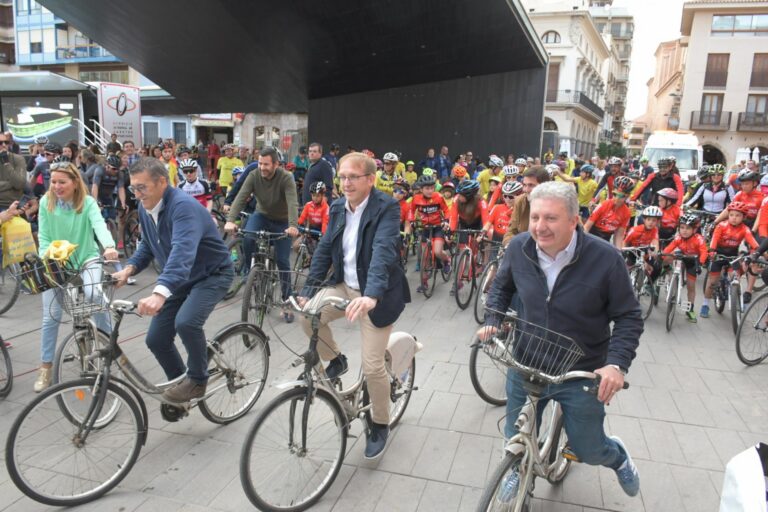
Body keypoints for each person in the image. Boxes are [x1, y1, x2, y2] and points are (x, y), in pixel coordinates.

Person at [479, 181, 642, 499]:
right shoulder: (519, 247)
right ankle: (516, 467)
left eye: (551, 218)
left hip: (581, 371)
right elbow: (502, 288)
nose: (540, 227)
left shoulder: (606, 259)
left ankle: (618, 456)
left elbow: (628, 317)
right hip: (526, 360)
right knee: (515, 432)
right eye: (535, 217)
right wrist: (493, 320)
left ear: (574, 220)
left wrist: (616, 365)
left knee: (589, 448)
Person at [297, 151, 410, 460]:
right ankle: (336, 360)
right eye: (342, 177)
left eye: (352, 177)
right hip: (345, 287)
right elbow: (323, 250)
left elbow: (383, 251)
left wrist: (371, 295)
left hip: (377, 295)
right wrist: (307, 289)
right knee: (308, 316)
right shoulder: (336, 207)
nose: (345, 183)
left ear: (370, 179)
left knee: (373, 366)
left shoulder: (386, 207)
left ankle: (380, 423)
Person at [111, 157, 234, 403]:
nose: (137, 194)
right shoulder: (148, 208)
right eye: (134, 188)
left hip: (212, 273)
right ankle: (182, 385)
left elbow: (182, 252)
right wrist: (130, 268)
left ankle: (198, 381)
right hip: (183, 278)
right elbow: (148, 244)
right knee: (156, 339)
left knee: (186, 323)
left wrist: (159, 293)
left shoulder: (183, 207)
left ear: (162, 182)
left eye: (142, 187)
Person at [35, 161, 118, 392]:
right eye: (53, 182)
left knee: (95, 295)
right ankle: (45, 367)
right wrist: (47, 258)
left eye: (62, 182)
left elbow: (100, 226)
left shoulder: (87, 203)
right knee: (50, 316)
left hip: (85, 259)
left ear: (74, 182)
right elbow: (43, 237)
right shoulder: (45, 202)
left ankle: (111, 348)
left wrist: (109, 246)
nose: (57, 186)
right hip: (56, 263)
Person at [224, 147, 299, 322]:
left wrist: (293, 225)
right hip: (262, 215)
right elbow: (241, 197)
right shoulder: (254, 175)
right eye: (260, 163)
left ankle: (287, 300)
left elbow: (292, 202)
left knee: (282, 260)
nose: (262, 167)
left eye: (266, 164)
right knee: (248, 237)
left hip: (282, 222)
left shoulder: (286, 178)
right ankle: (253, 273)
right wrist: (230, 219)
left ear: (276, 164)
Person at [701, 201, 758, 318]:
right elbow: (714, 240)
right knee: (712, 282)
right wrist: (712, 251)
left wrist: (757, 252)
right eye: (731, 215)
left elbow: (753, 243)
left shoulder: (745, 229)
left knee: (735, 277)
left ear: (743, 217)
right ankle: (705, 304)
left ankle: (738, 299)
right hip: (718, 254)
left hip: (733, 256)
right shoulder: (721, 226)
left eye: (738, 216)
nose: (734, 218)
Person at [406, 174, 451, 292]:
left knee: (437, 251)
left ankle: (447, 260)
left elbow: (446, 210)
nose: (430, 190)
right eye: (427, 188)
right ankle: (424, 283)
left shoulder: (439, 197)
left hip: (437, 227)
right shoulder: (416, 199)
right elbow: (411, 211)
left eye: (432, 188)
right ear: (421, 189)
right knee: (425, 257)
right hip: (425, 227)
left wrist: (446, 221)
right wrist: (411, 221)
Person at [662, 214, 709, 322]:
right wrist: (662, 256)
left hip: (693, 261)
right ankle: (666, 269)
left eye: (688, 228)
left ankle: (690, 309)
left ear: (694, 229)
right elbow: (669, 248)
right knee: (668, 257)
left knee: (691, 286)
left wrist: (700, 264)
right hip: (682, 258)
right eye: (682, 227)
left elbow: (704, 252)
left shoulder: (699, 239)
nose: (684, 231)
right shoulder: (678, 238)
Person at [502, 166, 551, 246]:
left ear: (544, 186)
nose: (526, 190)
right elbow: (511, 231)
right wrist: (509, 244)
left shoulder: (558, 204)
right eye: (524, 185)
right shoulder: (520, 201)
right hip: (524, 250)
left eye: (531, 185)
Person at [584, 176, 634, 248]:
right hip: (592, 236)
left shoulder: (626, 213)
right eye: (614, 194)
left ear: (627, 196)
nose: (616, 198)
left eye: (621, 196)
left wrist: (618, 252)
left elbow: (619, 235)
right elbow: (587, 227)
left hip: (605, 239)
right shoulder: (603, 205)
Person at [0, 132, 26, 210]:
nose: (4, 145)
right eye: (0, 143)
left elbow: (19, 184)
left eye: (6, 142)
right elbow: (16, 183)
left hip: (13, 204)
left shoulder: (18, 159)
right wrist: (11, 183)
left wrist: (7, 163)